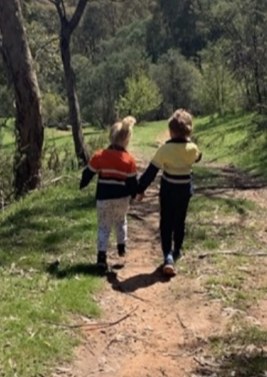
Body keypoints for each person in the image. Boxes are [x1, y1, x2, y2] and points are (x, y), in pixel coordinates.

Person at [136, 109, 202, 276]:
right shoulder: (193, 148)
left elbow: (151, 172)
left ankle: (168, 257)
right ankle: (177, 249)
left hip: (168, 191)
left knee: (166, 222)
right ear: (189, 130)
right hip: (185, 191)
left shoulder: (165, 150)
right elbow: (198, 157)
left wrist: (139, 188)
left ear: (171, 131)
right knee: (180, 221)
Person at [80, 116, 138, 271]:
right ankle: (121, 246)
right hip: (122, 198)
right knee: (121, 221)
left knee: (103, 227)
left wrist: (83, 184)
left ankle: (101, 257)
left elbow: (88, 173)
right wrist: (136, 194)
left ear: (111, 137)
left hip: (104, 198)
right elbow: (132, 183)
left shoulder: (100, 155)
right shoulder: (129, 160)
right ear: (127, 140)